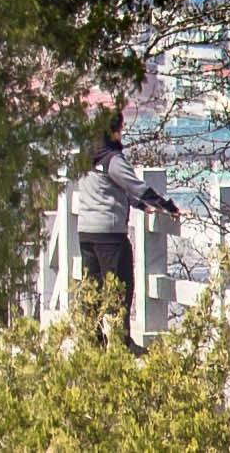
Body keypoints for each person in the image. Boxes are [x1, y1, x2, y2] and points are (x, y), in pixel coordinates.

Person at [67, 117, 179, 343]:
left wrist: (138, 205)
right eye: (119, 130)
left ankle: (94, 343)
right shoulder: (112, 160)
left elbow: (106, 189)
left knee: (93, 291)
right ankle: (122, 343)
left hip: (86, 234)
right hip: (110, 235)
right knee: (121, 289)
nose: (122, 134)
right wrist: (166, 206)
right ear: (112, 132)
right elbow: (135, 186)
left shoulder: (86, 159)